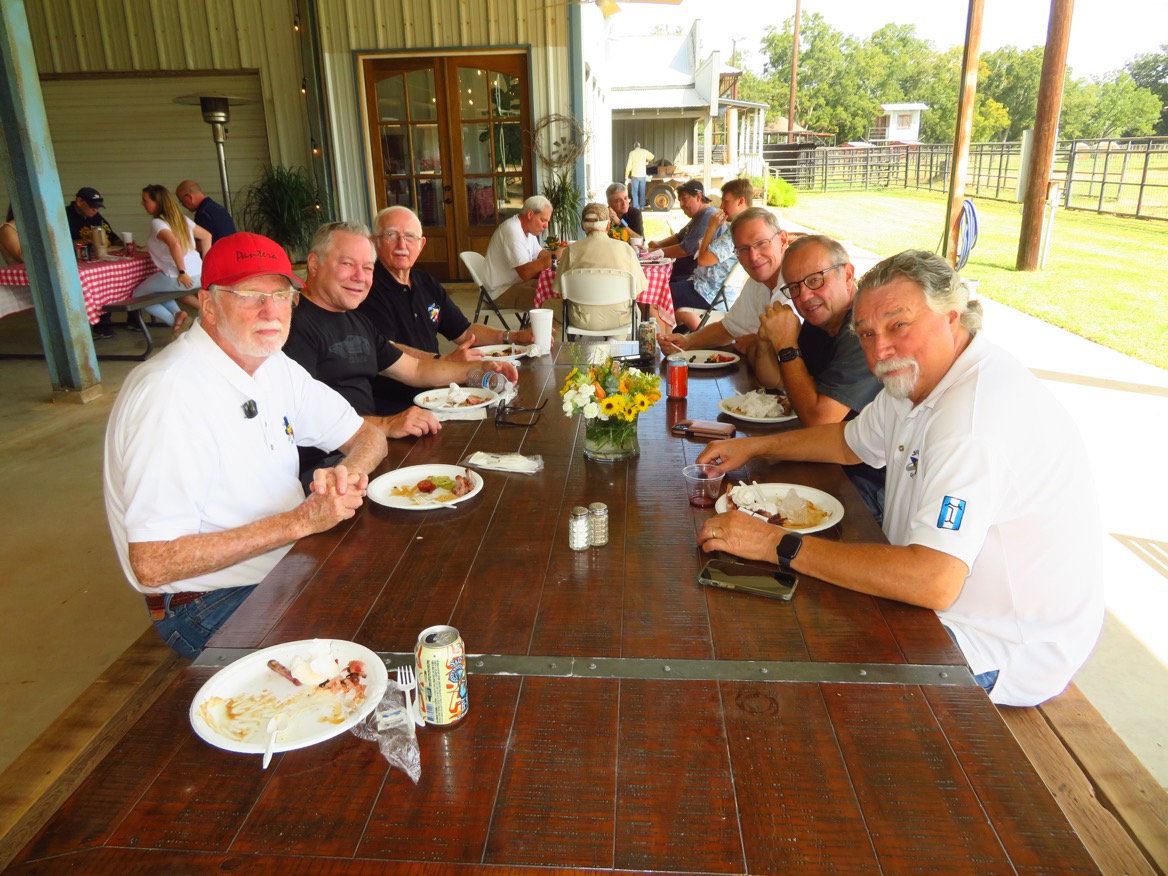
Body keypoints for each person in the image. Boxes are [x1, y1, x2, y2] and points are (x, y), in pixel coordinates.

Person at [696, 250, 1104, 707]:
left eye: (898, 325)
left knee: (795, 682)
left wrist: (773, 542)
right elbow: (847, 442)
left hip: (994, 645)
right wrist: (752, 446)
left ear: (953, 317)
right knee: (771, 625)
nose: (880, 349)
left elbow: (933, 581)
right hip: (932, 604)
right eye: (867, 334)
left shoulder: (972, 420)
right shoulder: (917, 379)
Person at [103, 231, 388, 659]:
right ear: (209, 304)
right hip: (206, 602)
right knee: (368, 649)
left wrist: (348, 474)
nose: (270, 311)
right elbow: (154, 562)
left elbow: (370, 436)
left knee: (404, 585)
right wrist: (301, 522)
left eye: (280, 294)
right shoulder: (170, 393)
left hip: (286, 562)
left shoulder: (273, 364)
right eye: (249, 295)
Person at [283, 222, 519, 468]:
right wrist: (386, 424)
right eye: (347, 264)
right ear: (313, 263)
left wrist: (481, 372)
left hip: (370, 446)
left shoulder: (355, 320)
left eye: (366, 267)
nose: (360, 277)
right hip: (327, 464)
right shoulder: (293, 326)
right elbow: (299, 417)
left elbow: (415, 370)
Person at [751, 234, 885, 520]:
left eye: (815, 280)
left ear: (848, 274)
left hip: (869, 483)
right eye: (794, 288)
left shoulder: (863, 331)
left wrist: (787, 346)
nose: (804, 297)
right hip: (829, 460)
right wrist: (767, 342)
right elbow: (772, 381)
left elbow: (820, 420)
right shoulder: (820, 324)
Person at [359, 206, 534, 414]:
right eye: (391, 235)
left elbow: (465, 332)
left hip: (439, 391)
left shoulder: (425, 282)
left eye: (410, 236)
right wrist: (445, 362)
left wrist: (512, 336)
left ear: (421, 244)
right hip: (397, 403)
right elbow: (389, 349)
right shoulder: (367, 288)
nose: (401, 245)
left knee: (518, 399)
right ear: (374, 242)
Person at [658, 207, 789, 355]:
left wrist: (758, 341)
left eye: (761, 243)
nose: (753, 256)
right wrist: (688, 341)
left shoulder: (794, 284)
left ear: (783, 240)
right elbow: (728, 328)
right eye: (744, 249)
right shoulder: (757, 283)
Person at [553, 202, 648, 335]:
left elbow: (560, 291)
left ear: (582, 226)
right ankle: (615, 341)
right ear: (608, 226)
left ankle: (559, 351)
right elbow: (637, 291)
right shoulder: (626, 249)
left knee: (548, 305)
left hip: (582, 319)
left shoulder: (571, 251)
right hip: (621, 318)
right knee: (635, 308)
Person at [672, 178, 753, 330]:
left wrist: (711, 227)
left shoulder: (738, 232)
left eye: (726, 201)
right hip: (704, 287)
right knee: (668, 288)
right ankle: (684, 331)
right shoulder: (739, 226)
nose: (721, 206)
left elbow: (702, 260)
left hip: (708, 295)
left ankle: (698, 333)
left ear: (740, 201)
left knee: (657, 296)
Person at [130, 184, 212, 329]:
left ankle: (176, 322)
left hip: (179, 277)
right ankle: (178, 315)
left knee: (138, 294)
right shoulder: (181, 218)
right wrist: (207, 266)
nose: (142, 203)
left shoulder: (158, 222)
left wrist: (182, 271)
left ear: (157, 203)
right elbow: (207, 236)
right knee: (158, 291)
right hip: (199, 275)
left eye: (145, 200)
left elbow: (174, 244)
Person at [647, 180, 716, 314]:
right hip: (685, 276)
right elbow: (679, 237)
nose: (682, 205)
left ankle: (660, 333)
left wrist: (654, 252)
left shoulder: (707, 216)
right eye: (680, 200)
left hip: (694, 280)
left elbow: (685, 250)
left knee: (652, 291)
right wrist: (659, 244)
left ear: (699, 196)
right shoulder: (699, 216)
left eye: (685, 199)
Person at [482, 195, 556, 314]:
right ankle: (537, 331)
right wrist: (552, 257)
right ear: (530, 214)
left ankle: (535, 329)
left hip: (514, 284)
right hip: (498, 292)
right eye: (543, 220)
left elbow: (539, 254)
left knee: (554, 289)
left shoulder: (528, 230)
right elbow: (525, 273)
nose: (546, 226)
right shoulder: (512, 231)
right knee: (550, 301)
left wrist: (560, 254)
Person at [624, 141, 655, 210]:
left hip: (634, 175)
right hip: (642, 175)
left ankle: (636, 206)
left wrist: (626, 175)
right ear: (639, 146)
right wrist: (646, 160)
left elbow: (629, 165)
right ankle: (642, 206)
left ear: (634, 146)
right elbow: (652, 156)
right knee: (642, 191)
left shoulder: (632, 153)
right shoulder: (644, 151)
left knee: (634, 191)